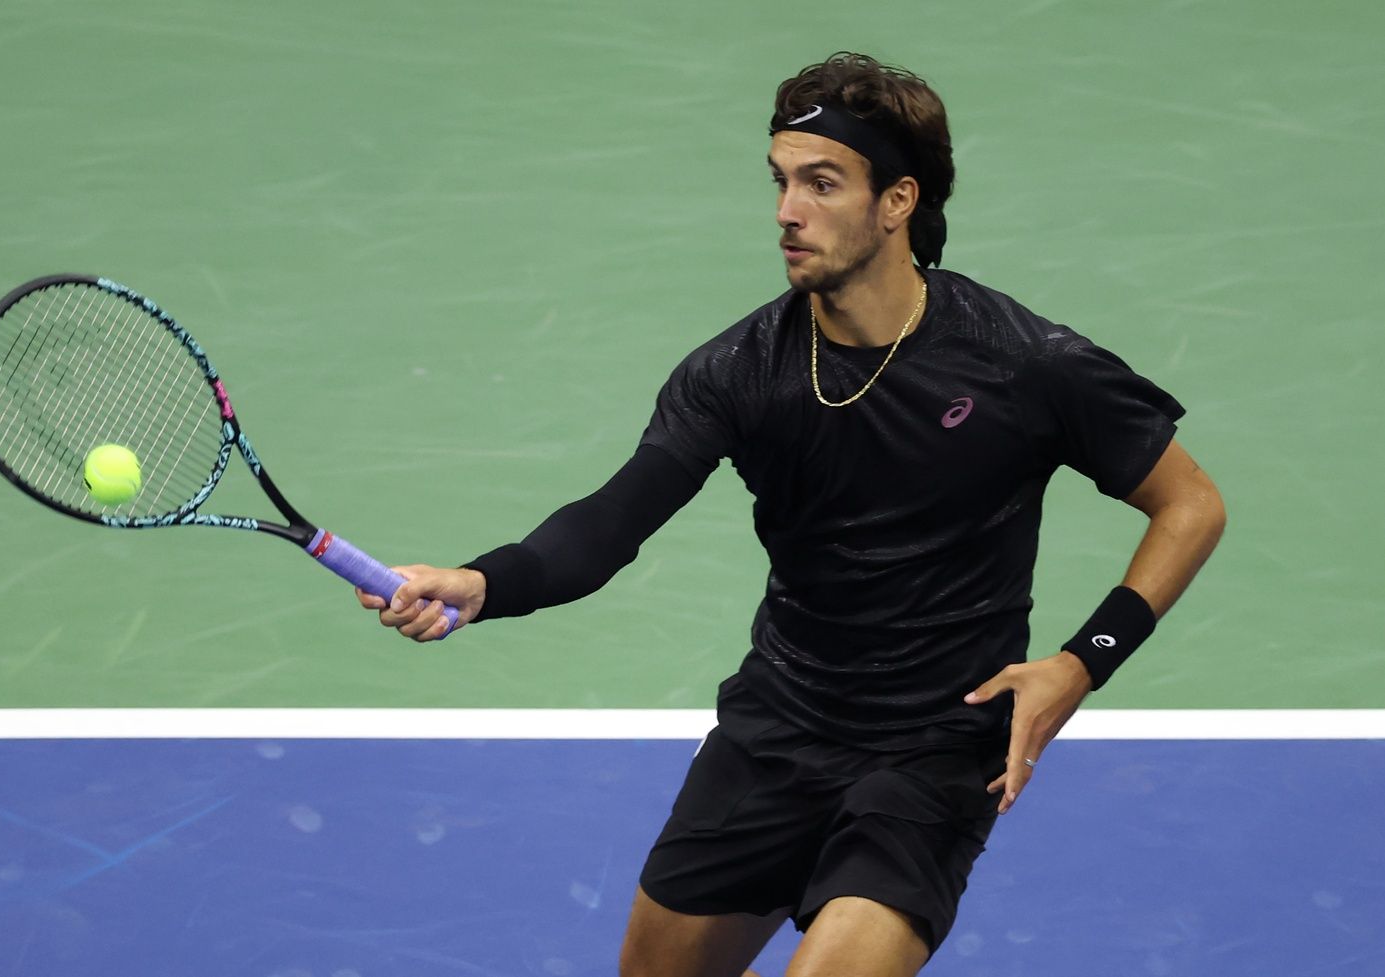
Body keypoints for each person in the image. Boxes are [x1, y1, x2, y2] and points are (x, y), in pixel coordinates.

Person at [356, 52, 1227, 977]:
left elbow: (1189, 503)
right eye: (780, 182)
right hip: (777, 730)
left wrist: (1077, 665)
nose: (786, 211)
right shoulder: (738, 372)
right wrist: (485, 581)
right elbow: (611, 522)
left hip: (932, 751)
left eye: (821, 183)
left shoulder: (1020, 361)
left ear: (896, 200)